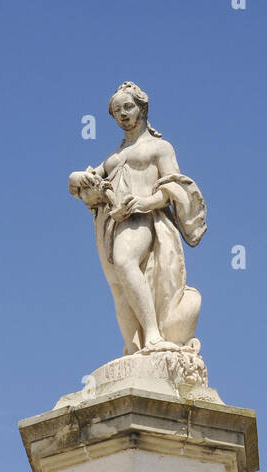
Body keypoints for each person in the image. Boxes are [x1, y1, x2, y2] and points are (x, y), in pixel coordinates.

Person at [69, 81, 206, 354]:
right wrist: (78, 178)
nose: (123, 114)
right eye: (117, 110)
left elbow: (173, 188)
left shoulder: (160, 148)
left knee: (125, 261)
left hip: (143, 219)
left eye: (128, 107)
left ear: (142, 108)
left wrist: (143, 203)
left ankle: (153, 334)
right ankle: (133, 347)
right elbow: (81, 182)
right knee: (118, 286)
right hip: (112, 225)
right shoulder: (114, 158)